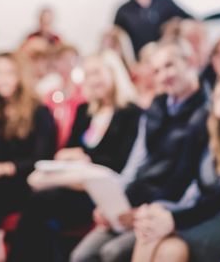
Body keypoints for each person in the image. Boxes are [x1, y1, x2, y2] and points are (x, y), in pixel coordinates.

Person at [71, 39, 210, 262]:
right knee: (82, 255)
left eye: (170, 65)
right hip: (134, 202)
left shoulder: (207, 113)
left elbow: (194, 183)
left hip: (164, 209)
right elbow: (136, 163)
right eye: (157, 70)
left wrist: (148, 212)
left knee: (112, 254)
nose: (164, 75)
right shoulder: (157, 106)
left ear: (189, 62)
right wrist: (113, 203)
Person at [130, 61, 220, 262]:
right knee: (150, 221)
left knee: (169, 250)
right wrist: (153, 206)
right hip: (201, 211)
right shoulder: (205, 124)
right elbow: (180, 179)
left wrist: (172, 219)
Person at [7, 51, 142, 262]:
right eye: (88, 75)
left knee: (41, 202)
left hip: (102, 190)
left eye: (97, 73)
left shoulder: (130, 113)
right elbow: (65, 152)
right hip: (73, 183)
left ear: (113, 73)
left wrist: (84, 157)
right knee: (37, 203)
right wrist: (83, 159)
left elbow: (118, 161)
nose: (93, 80)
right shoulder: (85, 110)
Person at [0, 52, 57, 258]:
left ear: (20, 75)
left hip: (25, 182)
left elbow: (42, 158)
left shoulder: (39, 111)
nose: (2, 79)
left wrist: (3, 168)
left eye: (9, 73)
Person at [114, 0, 192, 56]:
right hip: (136, 59)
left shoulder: (165, 3)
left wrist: (176, 27)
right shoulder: (124, 11)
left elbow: (190, 19)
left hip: (163, 55)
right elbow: (115, 37)